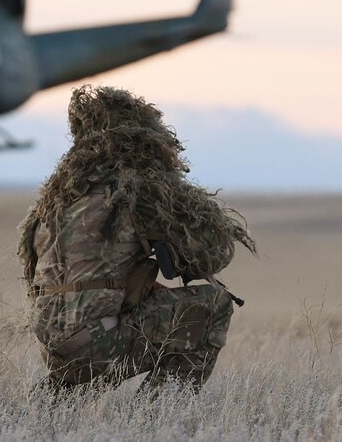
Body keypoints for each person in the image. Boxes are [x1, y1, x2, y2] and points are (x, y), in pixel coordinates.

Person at [18, 85, 256, 392]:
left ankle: (55, 403)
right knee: (214, 305)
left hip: (52, 345)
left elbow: (40, 277)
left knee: (95, 318)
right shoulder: (135, 192)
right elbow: (211, 255)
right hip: (98, 340)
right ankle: (160, 419)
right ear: (144, 138)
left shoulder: (53, 202)